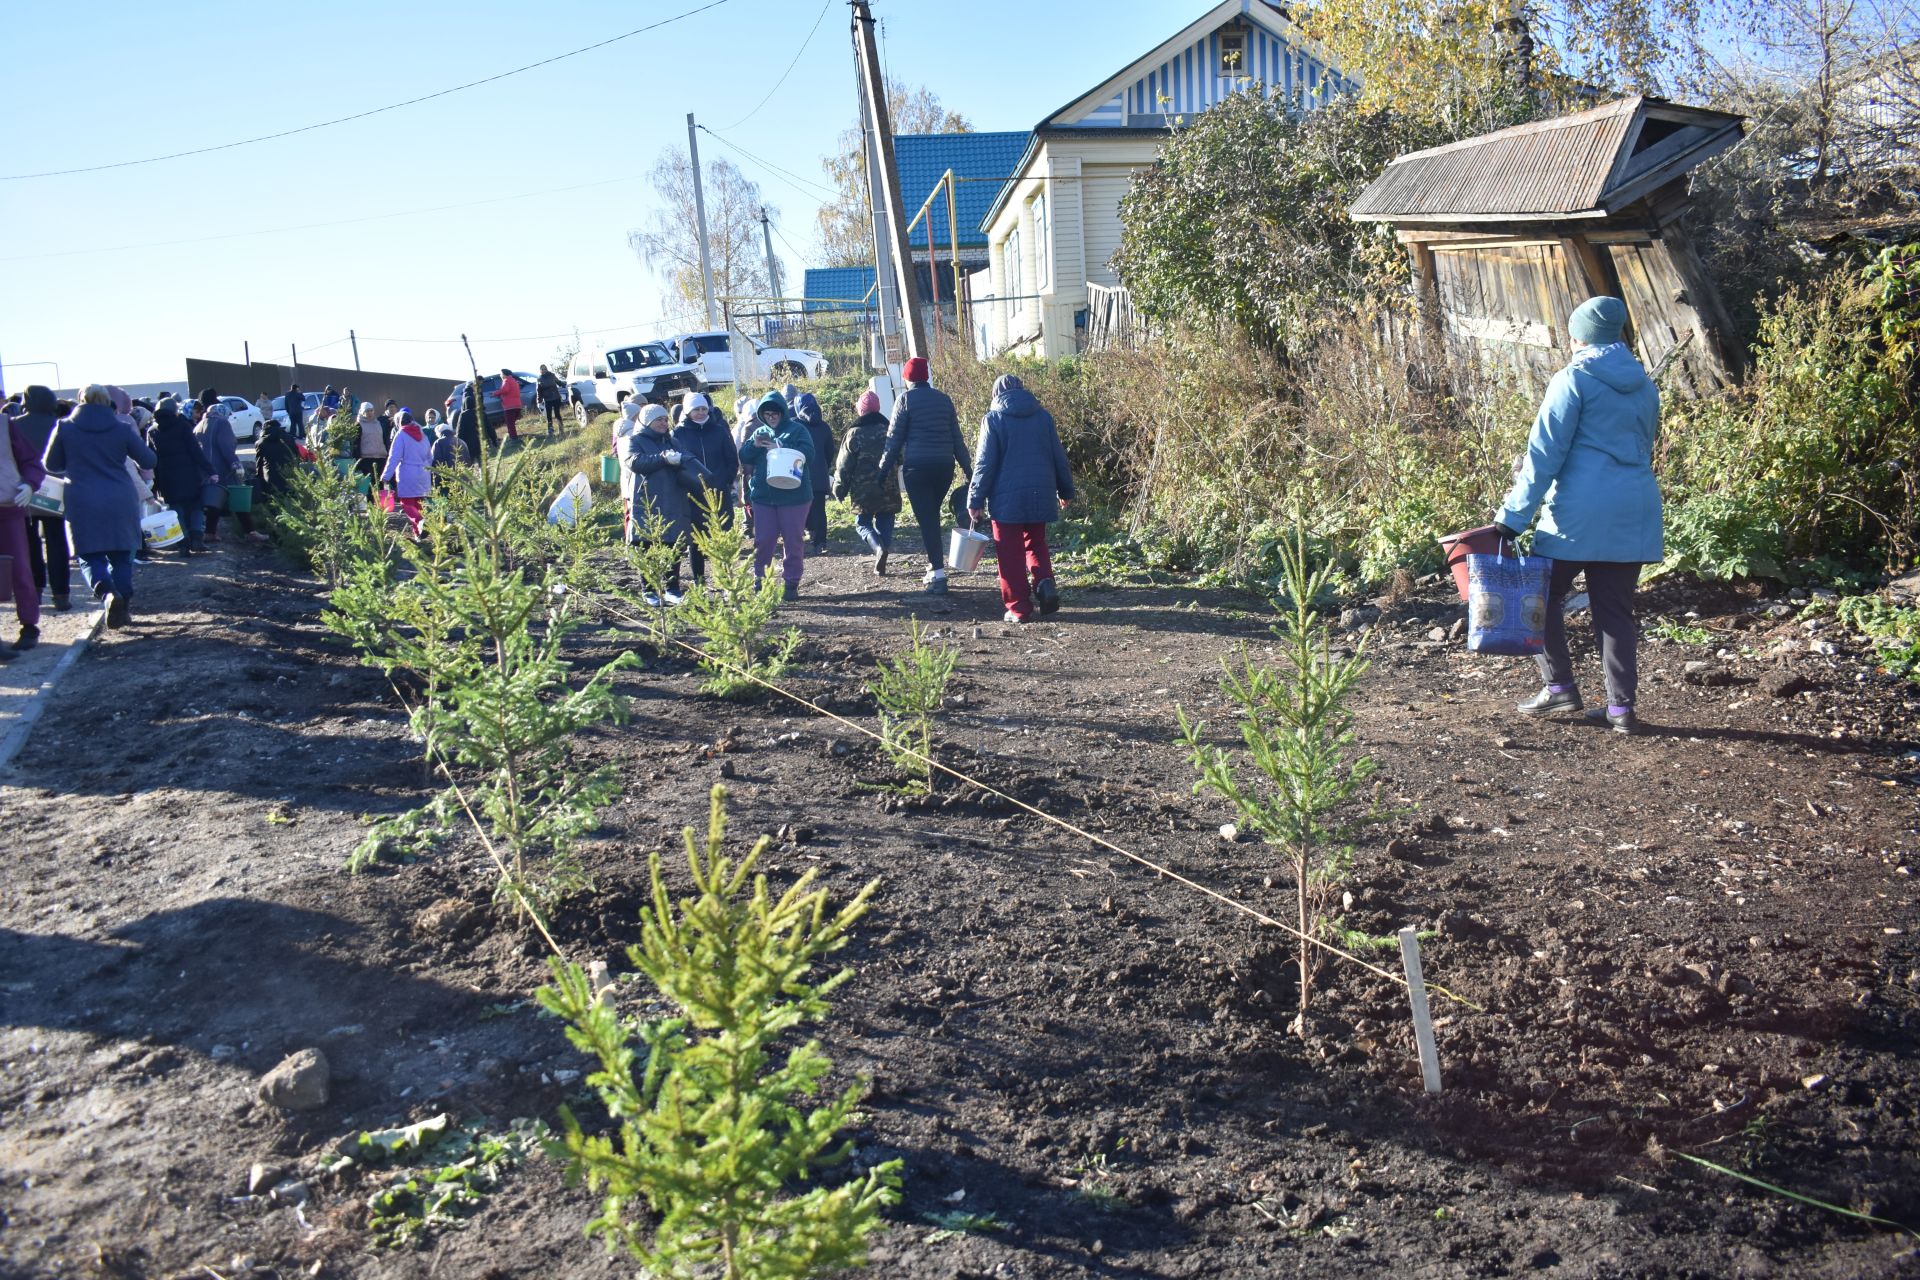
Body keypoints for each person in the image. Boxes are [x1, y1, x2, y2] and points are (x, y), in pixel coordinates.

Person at [1495, 296, 1663, 736]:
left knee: (1540, 596)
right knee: (1615, 610)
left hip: (1576, 516)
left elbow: (1544, 454)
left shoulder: (1573, 379)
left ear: (1578, 336)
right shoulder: (1645, 385)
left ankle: (1559, 686)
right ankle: (1622, 711)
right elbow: (1644, 447)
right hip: (1634, 508)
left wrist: (1513, 516)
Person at [44, 385, 157, 629]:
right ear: (107, 402)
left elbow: (51, 464)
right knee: (122, 556)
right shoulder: (122, 428)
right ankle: (123, 606)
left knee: (89, 556)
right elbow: (148, 459)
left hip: (82, 499)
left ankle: (107, 594)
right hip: (120, 498)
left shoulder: (65, 427)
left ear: (80, 401)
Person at [966, 375, 1075, 624]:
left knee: (1010, 553)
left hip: (1007, 501)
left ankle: (1018, 608)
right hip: (1040, 494)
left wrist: (975, 499)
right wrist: (1065, 491)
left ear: (996, 394)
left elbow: (984, 464)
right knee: (1035, 544)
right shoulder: (1043, 417)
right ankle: (1045, 583)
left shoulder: (993, 419)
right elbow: (1058, 456)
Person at [876, 355, 970, 595]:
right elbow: (957, 439)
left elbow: (893, 440)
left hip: (917, 469)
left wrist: (882, 471)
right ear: (926, 377)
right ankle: (933, 566)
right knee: (931, 516)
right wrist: (969, 470)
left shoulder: (904, 400)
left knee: (928, 520)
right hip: (943, 468)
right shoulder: (944, 400)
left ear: (907, 378)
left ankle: (938, 575)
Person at [627, 403, 713, 602]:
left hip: (674, 500)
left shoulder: (672, 441)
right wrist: (663, 458)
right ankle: (648, 590)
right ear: (648, 422)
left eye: (666, 419)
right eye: (659, 420)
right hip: (648, 501)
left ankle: (672, 589)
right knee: (646, 546)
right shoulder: (636, 440)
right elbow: (635, 462)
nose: (664, 423)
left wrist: (685, 459)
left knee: (673, 545)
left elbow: (686, 456)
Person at [738, 390, 818, 601]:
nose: (771, 417)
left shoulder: (797, 430)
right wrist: (753, 445)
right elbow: (744, 456)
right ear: (761, 415)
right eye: (767, 414)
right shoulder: (759, 432)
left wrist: (781, 447)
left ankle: (791, 582)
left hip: (795, 497)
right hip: (764, 496)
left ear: (782, 412)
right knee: (763, 540)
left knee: (793, 540)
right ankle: (760, 580)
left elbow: (809, 454)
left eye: (775, 413)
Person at [10, 386, 71, 611]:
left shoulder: (14, 424)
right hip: (56, 490)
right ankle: (61, 594)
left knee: (29, 542)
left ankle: (35, 592)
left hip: (23, 488)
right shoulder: (59, 423)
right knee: (57, 540)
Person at [671, 392, 739, 587]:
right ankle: (699, 582)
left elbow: (731, 459)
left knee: (722, 538)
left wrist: (723, 480)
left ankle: (726, 582)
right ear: (687, 411)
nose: (701, 413)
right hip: (693, 496)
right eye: (696, 409)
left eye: (703, 409)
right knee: (696, 542)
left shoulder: (718, 431)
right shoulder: (678, 434)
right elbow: (677, 464)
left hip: (719, 493)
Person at [833, 390, 900, 576]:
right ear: (878, 409)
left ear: (860, 411)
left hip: (863, 490)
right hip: (889, 487)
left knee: (862, 523)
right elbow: (901, 456)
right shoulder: (890, 431)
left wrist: (839, 489)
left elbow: (844, 466)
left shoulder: (853, 434)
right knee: (886, 519)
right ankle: (883, 550)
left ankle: (878, 548)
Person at [0, 411, 47, 658]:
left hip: (8, 506)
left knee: (19, 568)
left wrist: (29, 484)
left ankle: (29, 625)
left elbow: (31, 461)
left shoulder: (6, 426)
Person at [147, 397, 214, 554]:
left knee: (176, 511)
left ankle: (183, 544)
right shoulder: (182, 426)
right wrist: (210, 470)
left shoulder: (152, 430)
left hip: (166, 477)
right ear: (174, 410)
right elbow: (195, 451)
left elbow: (150, 458)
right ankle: (197, 538)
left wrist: (154, 483)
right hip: (188, 474)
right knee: (196, 506)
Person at [198, 401, 266, 544]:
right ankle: (250, 531)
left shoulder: (199, 425)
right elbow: (226, 446)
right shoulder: (222, 423)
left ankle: (209, 532)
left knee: (213, 500)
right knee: (239, 498)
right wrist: (235, 464)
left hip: (205, 470)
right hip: (223, 469)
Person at [791, 392, 835, 554]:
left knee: (798, 508)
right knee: (819, 509)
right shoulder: (824, 426)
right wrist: (824, 466)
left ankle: (798, 540)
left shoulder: (794, 425)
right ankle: (821, 542)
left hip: (798, 474)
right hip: (819, 475)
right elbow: (830, 451)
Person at [379, 410, 433, 537]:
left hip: (407, 473)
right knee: (418, 505)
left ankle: (421, 521)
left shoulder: (401, 434)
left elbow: (394, 457)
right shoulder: (422, 434)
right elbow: (429, 456)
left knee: (406, 503)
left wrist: (386, 475)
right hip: (423, 474)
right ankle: (418, 534)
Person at [253, 413, 302, 503]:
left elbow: (259, 464)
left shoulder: (260, 443)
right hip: (290, 475)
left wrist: (259, 479)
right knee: (293, 501)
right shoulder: (289, 438)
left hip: (271, 476)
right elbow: (297, 456)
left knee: (274, 503)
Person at [353, 401, 388, 480]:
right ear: (362, 412)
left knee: (380, 482)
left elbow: (384, 439)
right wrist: (357, 459)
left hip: (381, 457)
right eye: (367, 411)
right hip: (366, 458)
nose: (369, 413)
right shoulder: (358, 425)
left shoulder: (379, 423)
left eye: (371, 410)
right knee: (370, 483)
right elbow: (356, 443)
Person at [536, 365, 564, 436]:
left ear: (547, 369)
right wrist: (539, 401)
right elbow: (539, 391)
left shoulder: (552, 375)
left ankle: (561, 429)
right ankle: (550, 430)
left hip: (556, 398)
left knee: (557, 414)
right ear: (540, 370)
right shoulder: (539, 379)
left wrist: (564, 384)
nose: (543, 370)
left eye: (544, 369)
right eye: (542, 369)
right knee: (549, 416)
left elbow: (558, 382)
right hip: (547, 399)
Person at [497, 370, 523, 441]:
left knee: (510, 423)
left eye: (500, 374)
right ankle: (513, 436)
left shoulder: (506, 380)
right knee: (512, 423)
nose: (500, 375)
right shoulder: (514, 381)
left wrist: (495, 393)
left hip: (509, 406)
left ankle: (514, 439)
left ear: (504, 374)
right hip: (517, 405)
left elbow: (505, 390)